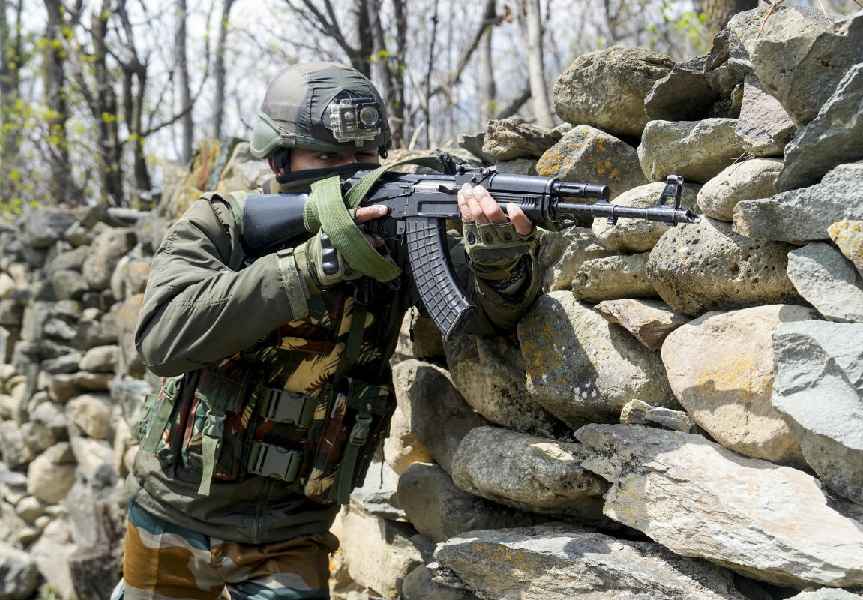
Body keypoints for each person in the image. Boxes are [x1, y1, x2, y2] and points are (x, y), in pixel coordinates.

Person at [118, 62, 544, 600]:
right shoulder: (220, 226)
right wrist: (311, 264)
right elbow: (163, 339)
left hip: (290, 533)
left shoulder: (398, 229)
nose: (351, 172)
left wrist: (498, 258)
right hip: (172, 512)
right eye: (327, 158)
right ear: (279, 160)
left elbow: (481, 320)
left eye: (366, 157)